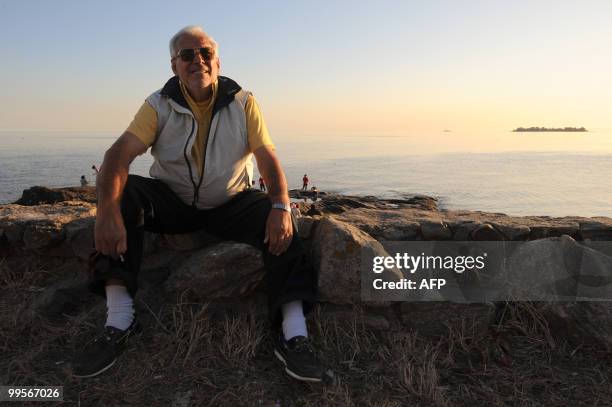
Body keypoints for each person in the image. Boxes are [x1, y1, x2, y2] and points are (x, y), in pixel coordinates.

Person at [73, 25, 324, 382]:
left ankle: (294, 333)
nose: (198, 60)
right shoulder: (158, 105)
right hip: (174, 201)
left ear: (217, 62)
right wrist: (107, 212)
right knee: (124, 194)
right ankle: (120, 319)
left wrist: (282, 206)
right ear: (174, 65)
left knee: (281, 219)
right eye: (187, 55)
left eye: (205, 53)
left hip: (231, 202)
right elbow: (117, 156)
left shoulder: (243, 102)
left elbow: (267, 157)